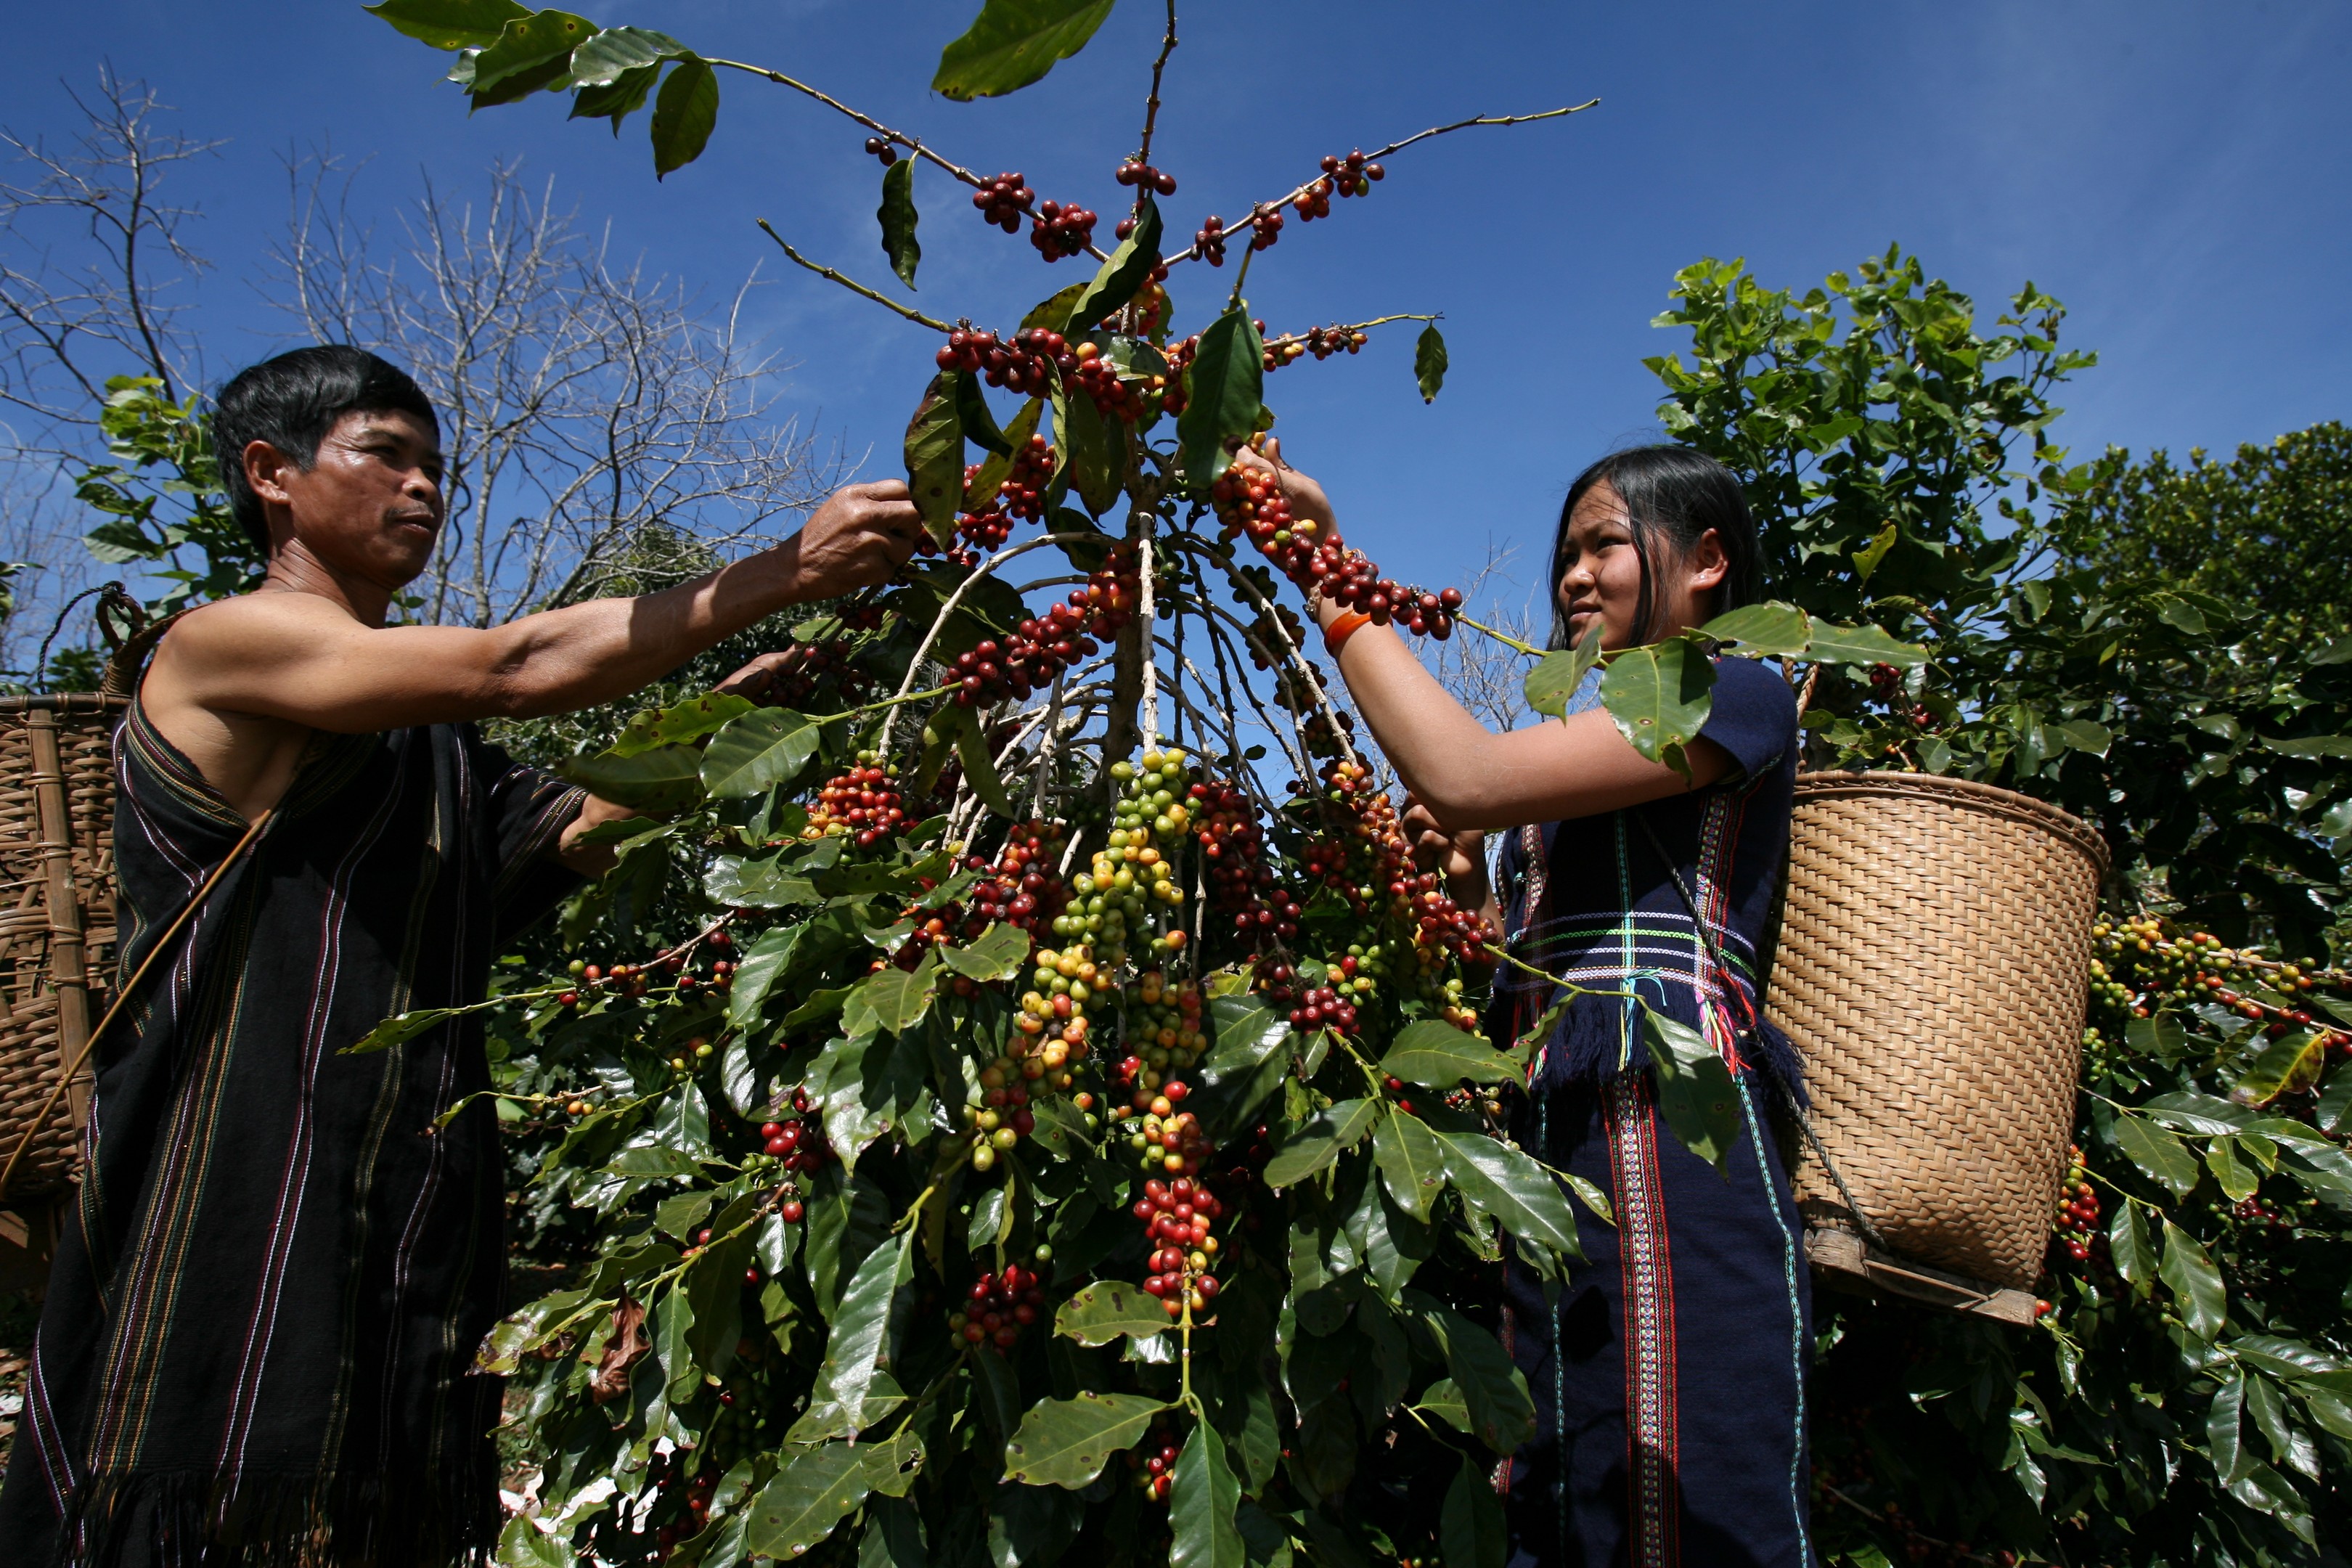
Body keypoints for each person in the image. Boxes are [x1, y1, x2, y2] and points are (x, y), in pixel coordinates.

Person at [0, 345, 922, 1566]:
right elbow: (516, 665)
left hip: (402, 1208)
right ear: (271, 475)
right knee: (212, 1484)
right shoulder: (224, 647)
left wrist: (760, 710)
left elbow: (579, 829)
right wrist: (782, 574)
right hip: (237, 1184)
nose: (427, 488)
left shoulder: (423, 742)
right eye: (385, 454)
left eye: (437, 465)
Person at [1241, 441, 1813, 1568]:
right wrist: (1469, 901)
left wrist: (1324, 570)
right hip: (1559, 1153)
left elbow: (1466, 776)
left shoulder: (1732, 691)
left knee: (1692, 1474)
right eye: (1567, 555)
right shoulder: (1590, 767)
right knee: (1562, 1471)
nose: (1573, 577)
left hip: (1679, 1138)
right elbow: (1529, 974)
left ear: (1706, 562)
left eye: (1606, 543)